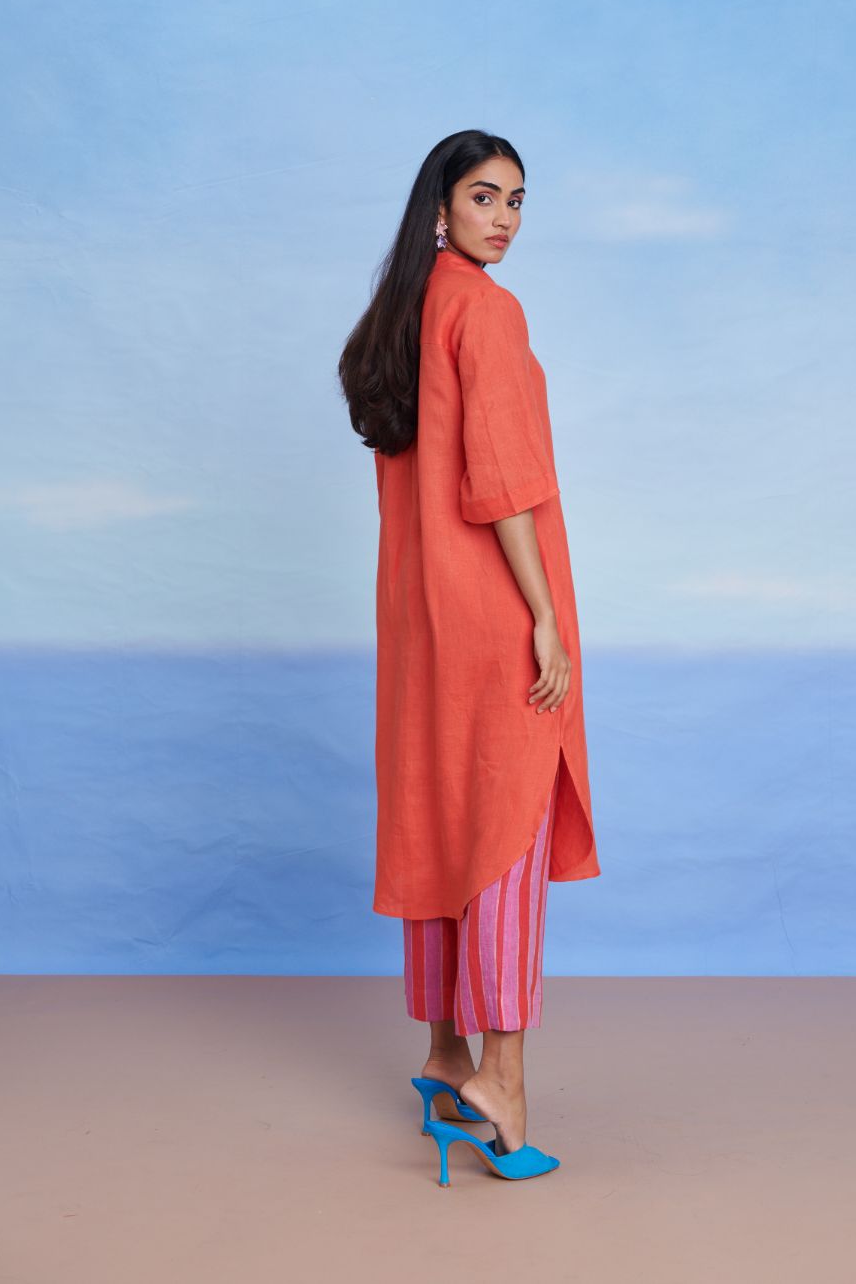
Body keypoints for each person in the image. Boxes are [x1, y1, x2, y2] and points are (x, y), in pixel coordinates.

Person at [338, 129, 600, 1177]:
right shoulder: (486, 312)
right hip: (488, 614)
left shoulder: (401, 314)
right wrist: (543, 614)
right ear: (439, 207)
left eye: (518, 200)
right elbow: (502, 485)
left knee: (442, 815)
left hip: (418, 621)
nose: (505, 218)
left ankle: (445, 1056)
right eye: (485, 196)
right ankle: (503, 1080)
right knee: (504, 826)